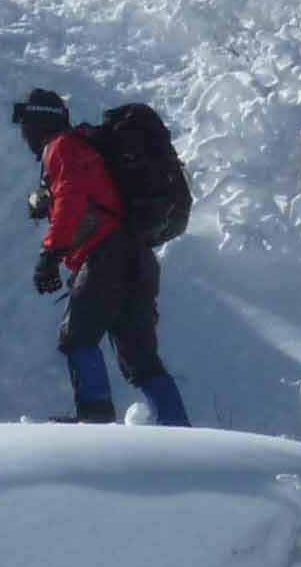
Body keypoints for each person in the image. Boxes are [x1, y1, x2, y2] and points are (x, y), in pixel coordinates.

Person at [16, 88, 192, 426]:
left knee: (77, 337)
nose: (24, 135)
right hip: (137, 257)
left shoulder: (61, 146)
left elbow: (71, 196)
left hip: (105, 255)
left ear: (37, 122)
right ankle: (177, 426)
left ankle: (93, 417)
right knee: (140, 358)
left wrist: (50, 253)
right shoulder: (83, 149)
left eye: (25, 124)